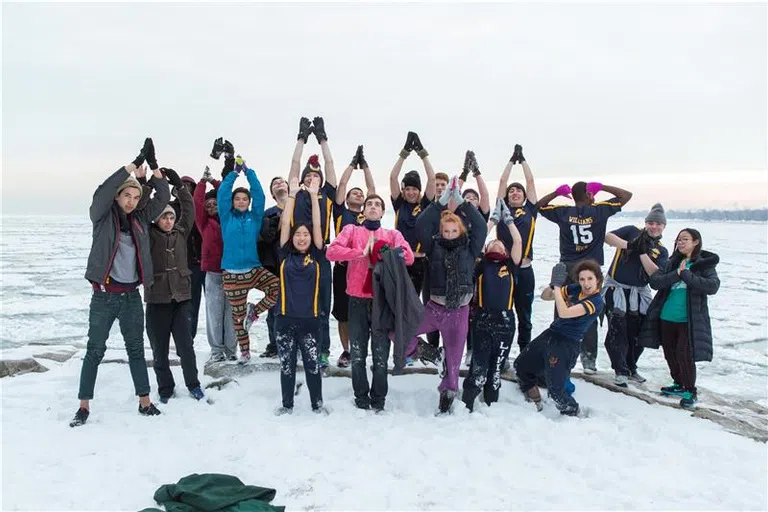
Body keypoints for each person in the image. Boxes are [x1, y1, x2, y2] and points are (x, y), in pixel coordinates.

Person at [70, 138, 169, 427]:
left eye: (135, 197)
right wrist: (133, 164)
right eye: (126, 195)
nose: (131, 201)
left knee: (136, 349)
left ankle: (145, 402)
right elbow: (102, 191)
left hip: (130, 297)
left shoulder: (139, 220)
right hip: (103, 296)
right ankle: (84, 406)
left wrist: (153, 167)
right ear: (118, 196)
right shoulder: (101, 217)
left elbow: (161, 199)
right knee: (95, 351)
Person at [327, 194, 414, 412]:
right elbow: (331, 251)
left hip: (381, 302)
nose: (373, 207)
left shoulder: (392, 234)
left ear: (383, 212)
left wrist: (385, 253)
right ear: (363, 211)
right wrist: (360, 253)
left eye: (378, 205)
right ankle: (360, 397)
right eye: (370, 204)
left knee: (380, 354)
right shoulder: (352, 231)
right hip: (356, 300)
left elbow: (409, 256)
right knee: (357, 353)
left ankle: (379, 398)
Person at [406, 182, 487, 414]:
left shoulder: (471, 249)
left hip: (459, 313)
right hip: (434, 309)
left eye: (454, 231)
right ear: (440, 232)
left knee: (454, 365)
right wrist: (440, 203)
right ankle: (432, 354)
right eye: (446, 231)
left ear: (460, 230)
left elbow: (480, 227)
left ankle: (447, 396)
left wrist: (462, 203)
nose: (450, 234)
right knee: (399, 331)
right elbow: (421, 224)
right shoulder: (433, 246)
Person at [537, 180, 633, 373]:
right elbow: (626, 195)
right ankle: (588, 362)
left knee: (562, 310)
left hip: (568, 267)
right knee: (589, 313)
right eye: (593, 194)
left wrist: (556, 193)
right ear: (590, 195)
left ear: (572, 196)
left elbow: (539, 206)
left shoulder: (563, 212)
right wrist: (604, 187)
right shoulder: (600, 210)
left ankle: (558, 357)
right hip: (591, 270)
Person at [639, 228, 720, 408]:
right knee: (670, 352)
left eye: (685, 239)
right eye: (678, 240)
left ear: (696, 242)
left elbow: (713, 286)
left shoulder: (704, 264)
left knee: (684, 354)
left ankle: (690, 390)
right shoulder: (672, 262)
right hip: (666, 317)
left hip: (688, 320)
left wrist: (687, 275)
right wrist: (676, 274)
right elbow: (655, 282)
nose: (680, 243)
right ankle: (678, 383)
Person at [515, 260, 606, 416]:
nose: (586, 283)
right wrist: (553, 285)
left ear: (597, 279)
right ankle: (534, 395)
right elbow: (545, 297)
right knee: (521, 365)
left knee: (556, 392)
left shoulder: (596, 301)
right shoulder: (575, 289)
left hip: (567, 343)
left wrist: (557, 287)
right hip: (552, 333)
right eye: (582, 279)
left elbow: (564, 313)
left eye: (590, 278)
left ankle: (572, 410)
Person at [144, 168, 204, 403]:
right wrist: (151, 183)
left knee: (186, 348)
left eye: (171, 217)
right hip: (157, 300)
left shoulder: (181, 231)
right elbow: (142, 210)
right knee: (159, 351)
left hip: (181, 299)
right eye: (164, 217)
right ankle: (165, 388)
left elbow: (189, 209)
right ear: (157, 218)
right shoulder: (147, 234)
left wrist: (180, 186)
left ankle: (193, 384)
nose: (168, 221)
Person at [283, 116, 338, 368]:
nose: (312, 178)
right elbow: (295, 164)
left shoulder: (326, 194)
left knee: (322, 306)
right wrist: (301, 139)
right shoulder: (296, 192)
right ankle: (296, 347)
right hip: (294, 251)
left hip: (320, 252)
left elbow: (329, 163)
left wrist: (323, 138)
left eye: (316, 176)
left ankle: (323, 349)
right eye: (308, 176)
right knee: (295, 305)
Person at [273, 175, 329, 415]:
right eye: (299, 234)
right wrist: (293, 194)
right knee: (286, 366)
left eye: (305, 234)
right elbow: (286, 223)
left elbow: (317, 225)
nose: (302, 237)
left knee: (312, 366)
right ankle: (287, 405)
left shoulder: (316, 254)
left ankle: (317, 404)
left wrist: (316, 197)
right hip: (284, 319)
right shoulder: (285, 253)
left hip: (310, 320)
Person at [218, 155, 279, 362]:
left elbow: (260, 195)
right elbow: (223, 194)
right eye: (238, 199)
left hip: (254, 270)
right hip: (233, 276)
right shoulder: (226, 218)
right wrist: (235, 173)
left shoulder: (255, 217)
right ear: (233, 202)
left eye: (245, 199)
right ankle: (244, 352)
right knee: (237, 318)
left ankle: (254, 312)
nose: (242, 201)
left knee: (278, 288)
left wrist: (249, 172)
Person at [602, 203, 669, 386]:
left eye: (658, 224)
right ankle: (620, 369)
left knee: (639, 334)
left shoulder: (661, 251)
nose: (654, 227)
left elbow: (655, 274)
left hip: (639, 295)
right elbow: (607, 237)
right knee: (618, 331)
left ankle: (632, 367)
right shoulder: (632, 231)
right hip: (616, 290)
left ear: (664, 226)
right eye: (651, 222)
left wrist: (642, 253)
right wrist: (630, 245)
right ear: (646, 223)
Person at [461, 224, 522, 411]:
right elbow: (478, 239)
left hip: (505, 322)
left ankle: (490, 404)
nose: (496, 245)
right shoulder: (481, 264)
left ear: (505, 250)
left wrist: (510, 222)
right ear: (486, 249)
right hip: (483, 320)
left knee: (496, 368)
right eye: (492, 243)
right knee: (479, 365)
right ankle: (467, 402)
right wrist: (492, 223)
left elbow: (518, 241)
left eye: (500, 244)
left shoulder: (510, 265)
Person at [389, 132, 437, 354]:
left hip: (424, 264)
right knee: (403, 306)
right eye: (407, 188)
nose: (410, 192)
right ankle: (406, 348)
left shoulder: (426, 204)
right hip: (402, 263)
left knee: (423, 306)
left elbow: (432, 178)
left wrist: (422, 153)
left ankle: (425, 347)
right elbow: (392, 177)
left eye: (413, 189)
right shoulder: (400, 205)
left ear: (419, 191)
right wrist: (404, 153)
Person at [490, 144, 538, 354]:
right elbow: (502, 181)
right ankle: (503, 353)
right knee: (504, 313)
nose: (515, 192)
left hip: (525, 270)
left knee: (524, 315)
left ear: (524, 195)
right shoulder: (502, 209)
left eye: (518, 190)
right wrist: (511, 160)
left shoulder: (530, 210)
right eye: (512, 191)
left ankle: (524, 352)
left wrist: (523, 159)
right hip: (504, 269)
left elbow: (530, 181)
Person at [331, 144, 376, 368]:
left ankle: (365, 348)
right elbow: (342, 184)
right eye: (354, 193)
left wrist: (365, 165)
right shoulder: (341, 211)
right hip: (341, 268)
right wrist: (352, 163)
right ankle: (347, 350)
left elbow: (372, 188)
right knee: (342, 312)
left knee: (366, 310)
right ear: (347, 199)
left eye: (361, 194)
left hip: (365, 269)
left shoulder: (368, 215)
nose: (359, 194)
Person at [195, 166, 237, 363]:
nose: (211, 207)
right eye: (208, 205)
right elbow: (196, 202)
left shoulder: (230, 220)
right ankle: (216, 351)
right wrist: (203, 182)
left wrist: (214, 181)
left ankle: (231, 350)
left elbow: (227, 194)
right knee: (214, 314)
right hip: (213, 275)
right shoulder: (203, 224)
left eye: (215, 204)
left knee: (232, 314)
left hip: (233, 273)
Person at [256, 175, 290, 359]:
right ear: (272, 193)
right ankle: (274, 344)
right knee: (274, 307)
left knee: (297, 307)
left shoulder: (299, 209)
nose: (279, 184)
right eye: (274, 183)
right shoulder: (267, 213)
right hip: (274, 266)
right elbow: (263, 238)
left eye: (282, 181)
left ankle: (295, 343)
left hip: (296, 265)